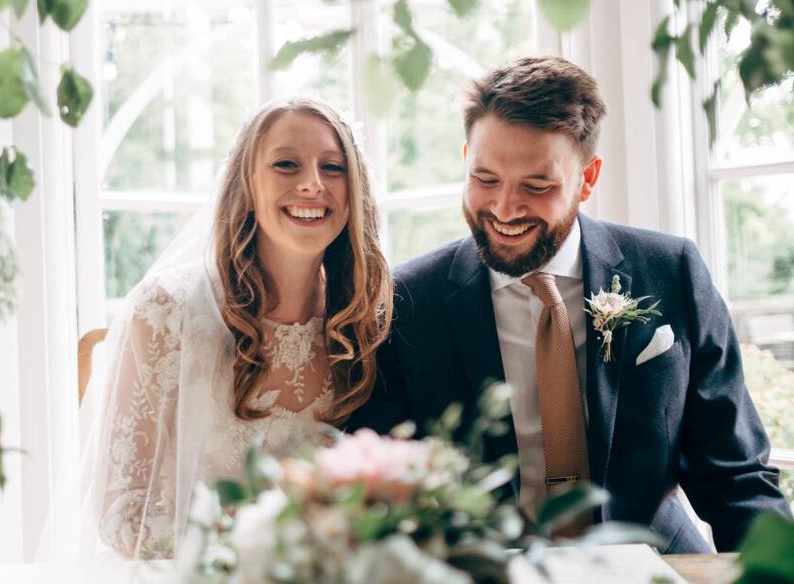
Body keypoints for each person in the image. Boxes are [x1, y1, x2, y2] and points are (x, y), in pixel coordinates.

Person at [349, 56, 791, 553]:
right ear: (466, 156)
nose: (504, 209)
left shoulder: (672, 271)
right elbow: (382, 491)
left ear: (588, 178)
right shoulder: (407, 302)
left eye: (538, 186)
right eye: (485, 178)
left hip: (658, 566)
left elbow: (735, 475)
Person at [80, 97, 392, 559]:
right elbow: (121, 512)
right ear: (246, 185)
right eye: (286, 165)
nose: (312, 184)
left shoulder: (365, 319)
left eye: (333, 167)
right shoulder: (165, 312)